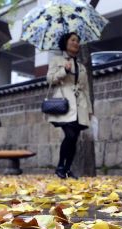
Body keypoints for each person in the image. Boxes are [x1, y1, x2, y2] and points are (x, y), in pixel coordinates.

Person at [46, 32, 93, 179]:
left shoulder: (81, 66)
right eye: (73, 40)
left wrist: (90, 110)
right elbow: (50, 79)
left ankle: (67, 169)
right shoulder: (57, 60)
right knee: (70, 135)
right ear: (65, 43)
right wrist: (64, 70)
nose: (76, 43)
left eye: (78, 41)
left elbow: (86, 89)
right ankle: (60, 166)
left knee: (74, 138)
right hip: (65, 103)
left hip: (80, 105)